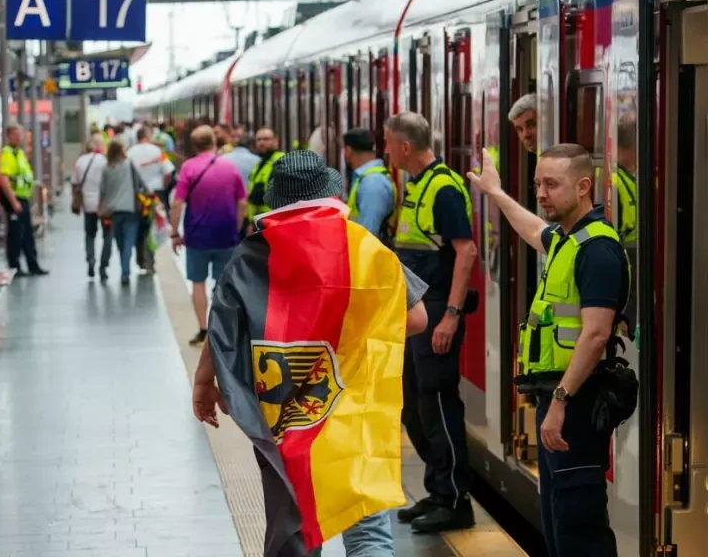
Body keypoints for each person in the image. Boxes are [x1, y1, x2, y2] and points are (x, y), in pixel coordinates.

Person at [192, 150, 430, 557]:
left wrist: (203, 382)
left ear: (278, 200)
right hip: (353, 411)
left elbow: (222, 330)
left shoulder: (251, 255)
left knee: (293, 532)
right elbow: (417, 319)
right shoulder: (363, 248)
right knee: (367, 531)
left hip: (283, 418)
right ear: (327, 193)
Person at [467, 144, 630, 557]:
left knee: (579, 524)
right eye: (538, 183)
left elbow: (595, 335)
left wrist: (560, 400)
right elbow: (532, 229)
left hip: (577, 401)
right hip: (559, 398)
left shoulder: (597, 249)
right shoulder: (566, 238)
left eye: (551, 185)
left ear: (583, 187)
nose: (540, 192)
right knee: (559, 518)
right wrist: (497, 193)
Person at [386, 112, 477, 533]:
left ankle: (455, 500)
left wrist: (451, 317)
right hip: (415, 310)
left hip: (438, 309)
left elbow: (467, 251)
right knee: (415, 407)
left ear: (405, 146)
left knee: (438, 406)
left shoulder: (443, 188)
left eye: (389, 143)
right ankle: (437, 490)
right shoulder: (417, 184)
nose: (387, 151)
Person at [170, 125, 247, 347]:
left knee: (197, 283)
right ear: (214, 142)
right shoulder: (229, 167)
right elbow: (242, 201)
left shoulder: (188, 168)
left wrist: (175, 232)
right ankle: (223, 330)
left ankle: (203, 329)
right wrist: (237, 226)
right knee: (224, 284)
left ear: (194, 145)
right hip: (226, 235)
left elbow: (177, 203)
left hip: (197, 237)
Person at [0, 124, 48, 276]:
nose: (20, 138)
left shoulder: (18, 152)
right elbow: (3, 178)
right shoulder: (7, 154)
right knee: (15, 234)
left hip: (23, 198)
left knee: (27, 233)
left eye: (21, 134)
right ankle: (15, 266)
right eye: (16, 134)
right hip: (15, 199)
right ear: (8, 136)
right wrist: (13, 201)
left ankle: (33, 264)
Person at [128, 125, 175, 273]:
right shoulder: (158, 152)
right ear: (147, 136)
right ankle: (150, 260)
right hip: (156, 193)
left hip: (137, 195)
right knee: (153, 226)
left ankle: (140, 258)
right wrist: (163, 186)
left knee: (139, 226)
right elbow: (168, 172)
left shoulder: (130, 152)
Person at [98, 140, 141, 286]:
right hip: (130, 208)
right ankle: (125, 272)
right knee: (129, 242)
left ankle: (124, 269)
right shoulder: (129, 164)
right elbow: (139, 183)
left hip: (113, 211)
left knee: (120, 242)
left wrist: (102, 207)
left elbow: (102, 191)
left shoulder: (106, 168)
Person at [343, 127, 396, 244]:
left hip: (369, 258)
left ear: (348, 150)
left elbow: (368, 233)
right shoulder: (368, 178)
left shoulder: (372, 183)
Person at [72, 133, 110, 281]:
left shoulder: (80, 161)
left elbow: (75, 183)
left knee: (90, 234)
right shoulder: (105, 161)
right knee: (107, 235)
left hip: (88, 204)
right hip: (105, 205)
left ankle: (91, 260)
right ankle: (103, 266)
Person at [245, 128, 285, 234]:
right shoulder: (259, 165)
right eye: (259, 140)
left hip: (273, 224)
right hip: (259, 224)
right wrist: (250, 223)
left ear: (276, 141)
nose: (262, 143)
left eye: (266, 139)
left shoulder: (281, 162)